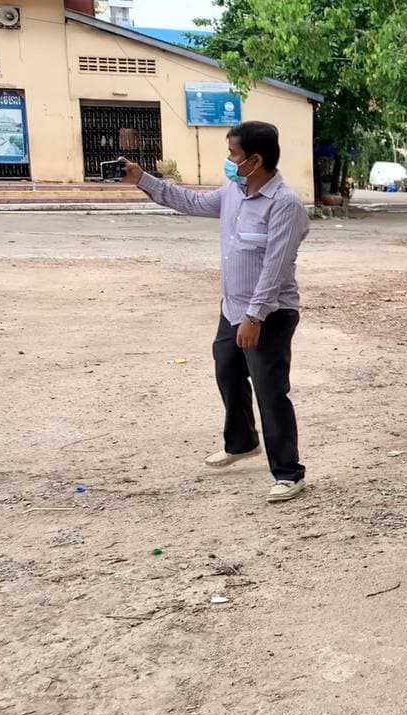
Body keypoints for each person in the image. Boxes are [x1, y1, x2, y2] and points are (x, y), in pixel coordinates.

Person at [119, 121, 309, 503]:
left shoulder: (285, 205)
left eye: (233, 154)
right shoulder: (233, 192)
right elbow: (189, 201)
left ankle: (289, 473)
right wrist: (142, 178)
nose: (228, 160)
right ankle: (241, 443)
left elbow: (276, 267)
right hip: (233, 308)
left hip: (268, 315)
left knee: (270, 392)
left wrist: (254, 317)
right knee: (227, 371)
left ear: (255, 160)